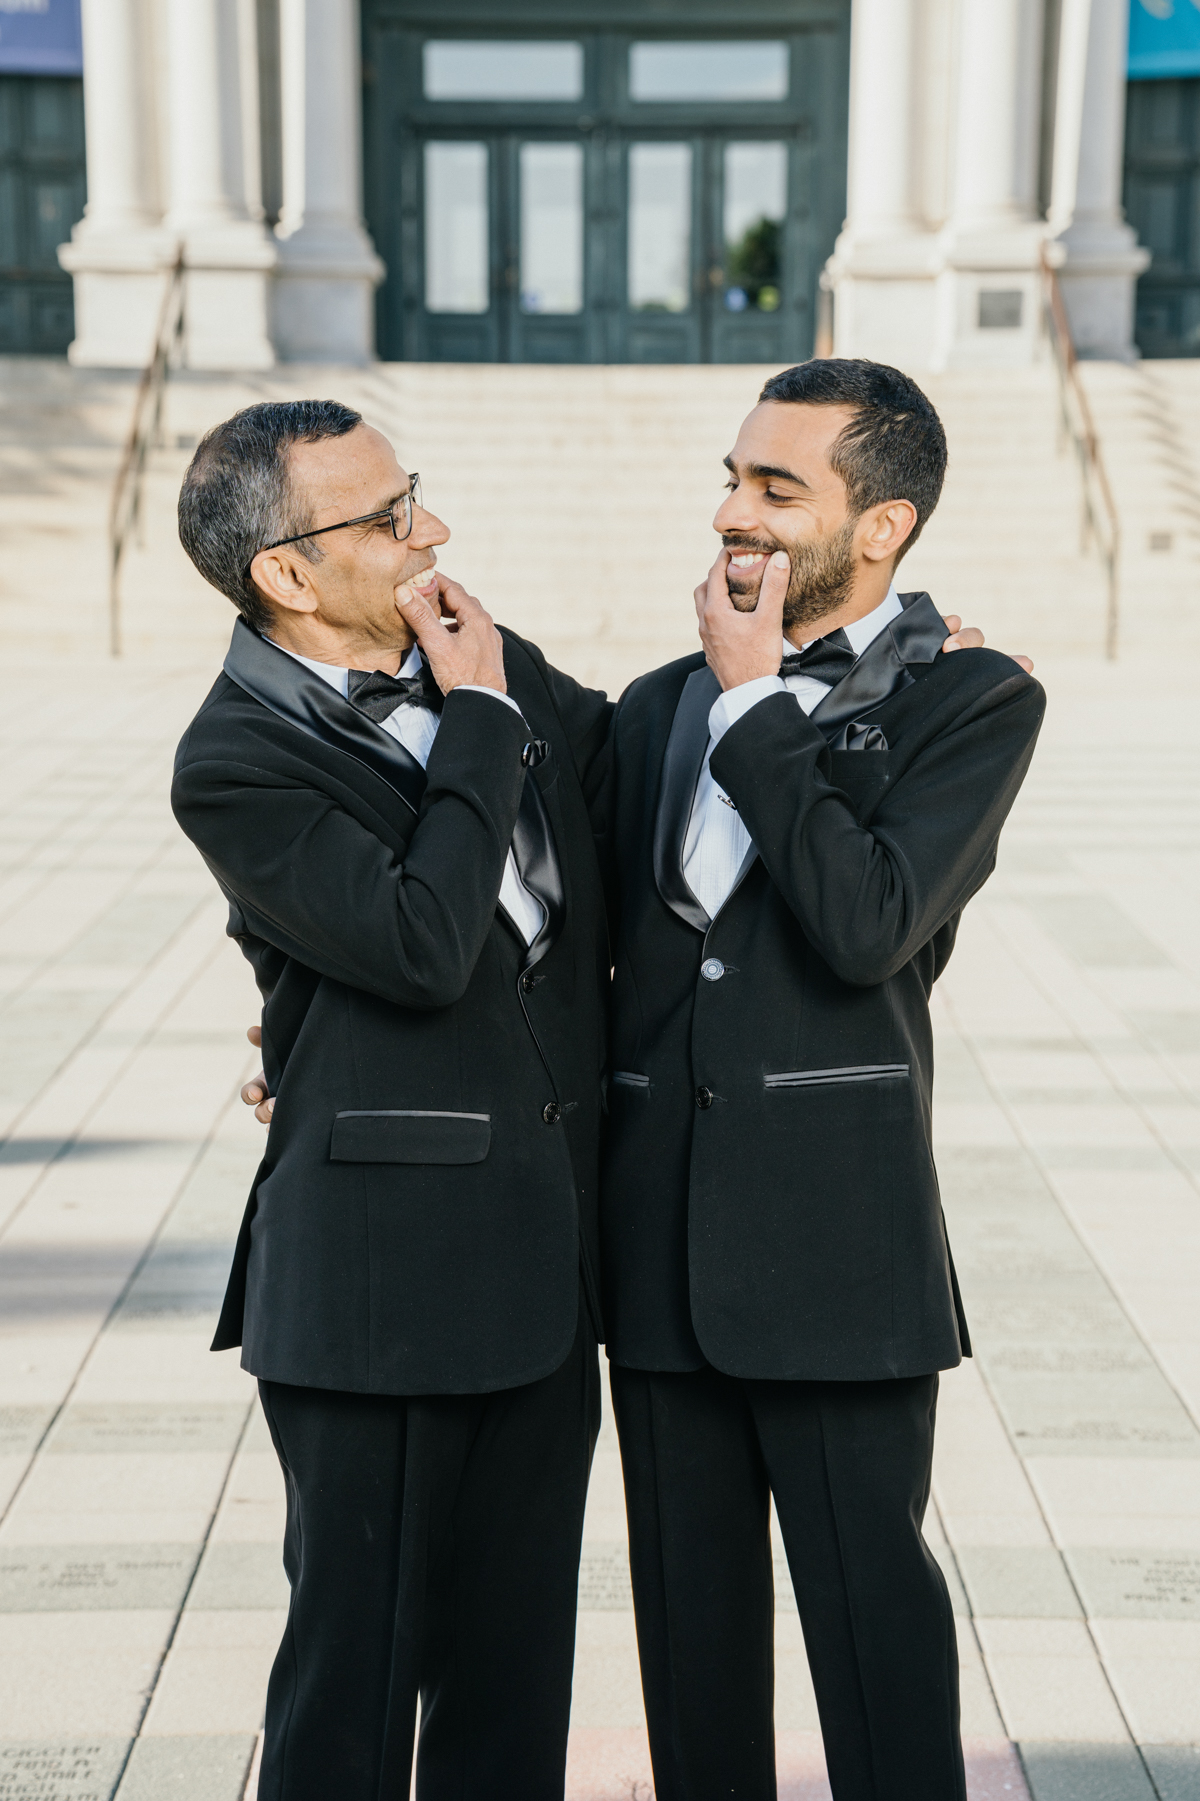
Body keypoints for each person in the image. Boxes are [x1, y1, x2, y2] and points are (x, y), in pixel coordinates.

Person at [598, 358, 1045, 1801]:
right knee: (693, 1655)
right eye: (732, 477)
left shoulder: (972, 701)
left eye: (777, 489)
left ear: (884, 525)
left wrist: (757, 712)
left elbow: (866, 923)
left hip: (844, 1257)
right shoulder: (648, 706)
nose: (735, 512)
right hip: (657, 1252)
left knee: (877, 1646)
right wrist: (292, 1034)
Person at [170, 400, 614, 1801]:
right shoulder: (235, 758)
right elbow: (425, 940)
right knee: (353, 1686)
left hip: (544, 1270)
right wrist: (479, 714)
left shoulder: (478, 651)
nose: (430, 529)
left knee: (512, 1684)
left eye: (413, 492)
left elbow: (638, 769)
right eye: (387, 514)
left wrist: (888, 690)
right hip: (375, 1294)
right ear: (287, 574)